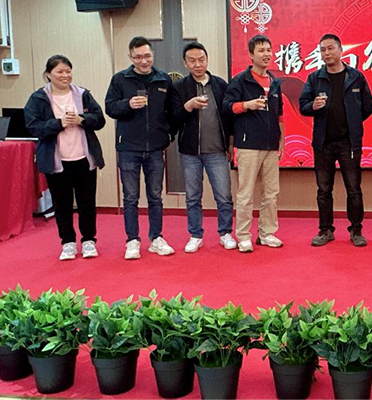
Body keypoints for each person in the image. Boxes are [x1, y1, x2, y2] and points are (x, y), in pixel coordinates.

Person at [24, 55, 106, 261]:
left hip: (84, 159)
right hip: (56, 160)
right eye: (60, 72)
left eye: (68, 71)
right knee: (62, 204)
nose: (65, 75)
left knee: (87, 203)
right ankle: (67, 242)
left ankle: (88, 240)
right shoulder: (38, 98)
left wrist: (81, 119)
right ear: (48, 74)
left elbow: (100, 119)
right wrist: (58, 124)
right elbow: (33, 126)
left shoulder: (83, 94)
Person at [299, 33, 372, 247]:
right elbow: (303, 105)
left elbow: (367, 107)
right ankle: (325, 230)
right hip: (323, 143)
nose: (327, 53)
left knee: (354, 189)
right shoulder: (315, 78)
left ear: (341, 50)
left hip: (349, 142)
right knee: (324, 189)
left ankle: (356, 230)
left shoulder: (356, 77)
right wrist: (312, 106)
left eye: (330, 48)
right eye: (322, 50)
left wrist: (352, 122)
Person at [105, 36, 176, 260]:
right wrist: (127, 104)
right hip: (128, 148)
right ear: (130, 57)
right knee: (130, 197)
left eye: (147, 56)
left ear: (152, 54)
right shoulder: (120, 79)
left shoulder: (163, 79)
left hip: (155, 148)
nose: (143, 61)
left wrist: (169, 135)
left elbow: (172, 112)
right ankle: (132, 240)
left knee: (155, 196)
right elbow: (109, 108)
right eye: (138, 57)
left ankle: (156, 238)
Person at [170, 42, 236, 253]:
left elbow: (229, 117)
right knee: (192, 197)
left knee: (224, 196)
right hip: (190, 153)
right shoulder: (179, 87)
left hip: (217, 150)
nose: (197, 64)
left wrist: (230, 144)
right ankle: (195, 235)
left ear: (207, 60)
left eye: (201, 59)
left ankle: (225, 233)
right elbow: (173, 119)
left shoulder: (220, 84)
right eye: (192, 61)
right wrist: (188, 106)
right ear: (185, 63)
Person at [224, 35, 285, 253]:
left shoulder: (275, 82)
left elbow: (279, 113)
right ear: (251, 55)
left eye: (269, 50)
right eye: (261, 50)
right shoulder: (240, 80)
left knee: (271, 193)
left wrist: (282, 139)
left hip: (271, 145)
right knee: (246, 193)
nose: (266, 54)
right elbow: (227, 106)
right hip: (248, 144)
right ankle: (243, 236)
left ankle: (267, 233)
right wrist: (246, 105)